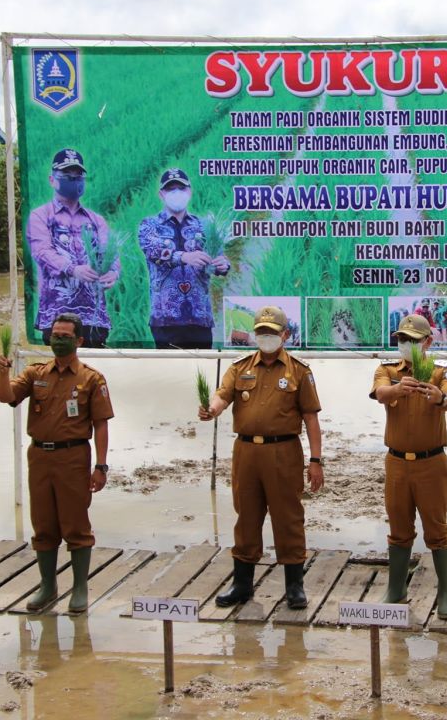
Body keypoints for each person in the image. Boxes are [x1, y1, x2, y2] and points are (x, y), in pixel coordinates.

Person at [199, 306, 324, 610]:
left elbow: (310, 418)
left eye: (272, 332)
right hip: (247, 453)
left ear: (285, 334)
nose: (266, 337)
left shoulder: (299, 370)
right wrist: (212, 409)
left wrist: (316, 460)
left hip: (284, 452)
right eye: (261, 332)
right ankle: (242, 585)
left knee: (289, 518)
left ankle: (294, 586)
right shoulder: (239, 367)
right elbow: (222, 395)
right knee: (247, 516)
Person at [0, 312, 114, 613]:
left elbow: (101, 424)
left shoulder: (91, 378)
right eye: (55, 334)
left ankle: (80, 588)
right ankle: (47, 586)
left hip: (73, 456)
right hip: (39, 456)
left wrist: (100, 466)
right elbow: (6, 397)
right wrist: (1, 373)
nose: (58, 340)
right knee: (43, 524)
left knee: (75, 524)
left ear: (79, 340)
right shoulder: (36, 374)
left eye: (65, 336)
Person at [370, 314, 447, 618]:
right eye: (401, 339)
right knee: (398, 528)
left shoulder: (440, 371)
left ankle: (446, 595)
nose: (405, 344)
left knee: (437, 528)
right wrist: (399, 389)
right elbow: (380, 393)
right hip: (396, 463)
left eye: (412, 339)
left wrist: (439, 399)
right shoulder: (387, 369)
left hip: (431, 463)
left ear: (428, 342)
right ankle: (396, 590)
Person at [26, 148, 119, 348]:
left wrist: (113, 272)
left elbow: (110, 251)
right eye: (67, 176)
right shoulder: (41, 216)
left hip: (93, 319)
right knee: (60, 375)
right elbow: (42, 252)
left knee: (93, 375)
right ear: (52, 180)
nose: (73, 180)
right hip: (57, 318)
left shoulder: (96, 220)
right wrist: (73, 269)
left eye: (78, 176)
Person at [137, 168, 231, 349]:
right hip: (165, 319)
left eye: (180, 188)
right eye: (170, 189)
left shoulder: (203, 226)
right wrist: (185, 256)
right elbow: (153, 251)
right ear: (161, 194)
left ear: (189, 191)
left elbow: (219, 256)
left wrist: (222, 264)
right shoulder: (150, 225)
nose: (176, 193)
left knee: (202, 371)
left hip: (200, 317)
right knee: (170, 373)